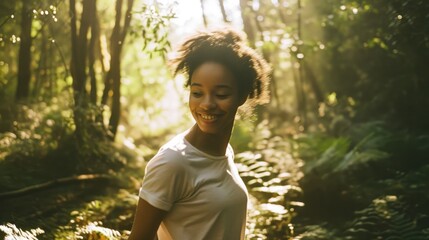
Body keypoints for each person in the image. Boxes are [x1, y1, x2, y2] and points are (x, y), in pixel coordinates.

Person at [128, 27, 270, 240]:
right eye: (197, 93)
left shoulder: (224, 152)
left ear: (241, 96)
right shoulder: (172, 162)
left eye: (221, 94)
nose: (207, 104)